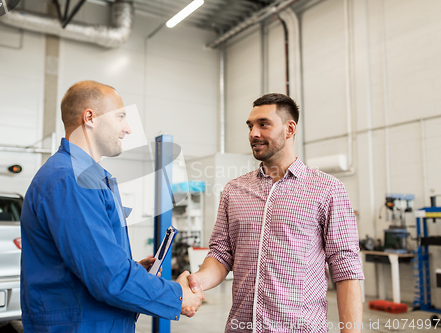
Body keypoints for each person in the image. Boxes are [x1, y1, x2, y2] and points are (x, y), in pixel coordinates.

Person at [20, 80, 204, 332]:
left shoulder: (86, 177)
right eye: (120, 117)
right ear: (90, 117)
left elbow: (91, 261)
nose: (127, 128)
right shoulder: (70, 181)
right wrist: (178, 296)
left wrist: (134, 269)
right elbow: (108, 277)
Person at [187, 93, 364, 332]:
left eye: (263, 124)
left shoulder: (327, 189)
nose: (253, 133)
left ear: (289, 129)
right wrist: (197, 281)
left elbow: (346, 267)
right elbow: (221, 254)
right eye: (250, 126)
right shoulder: (234, 190)